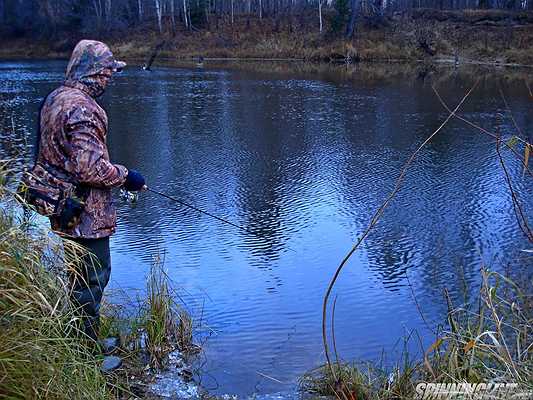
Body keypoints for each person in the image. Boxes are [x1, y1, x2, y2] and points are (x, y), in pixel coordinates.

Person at [25, 40, 145, 346]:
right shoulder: (84, 109)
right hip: (84, 213)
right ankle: (86, 355)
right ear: (90, 73)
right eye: (106, 73)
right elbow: (90, 169)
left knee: (78, 277)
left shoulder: (57, 98)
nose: (109, 79)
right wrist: (127, 176)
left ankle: (78, 341)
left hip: (62, 207)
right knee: (93, 279)